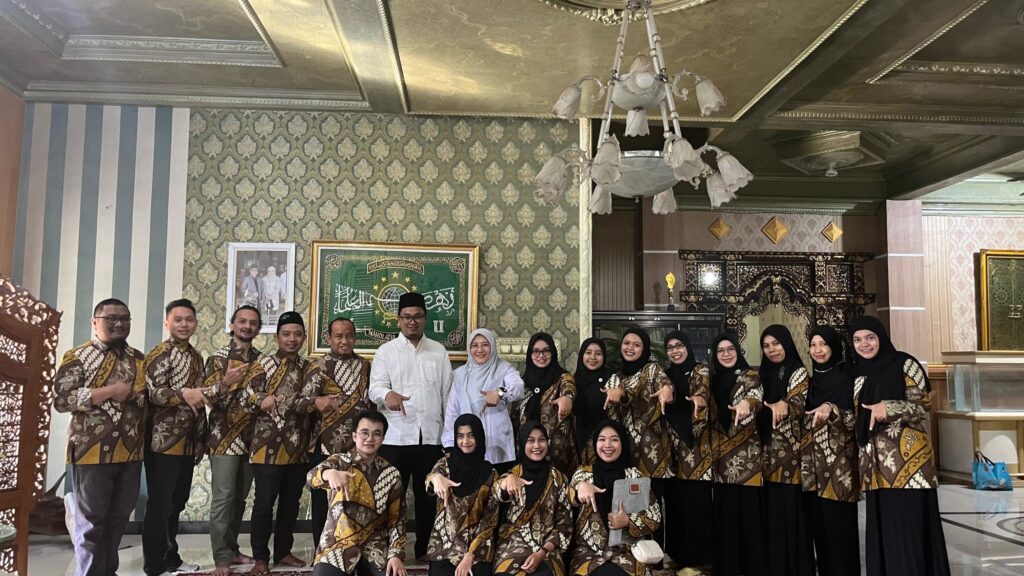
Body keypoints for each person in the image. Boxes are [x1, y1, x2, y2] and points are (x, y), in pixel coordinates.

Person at [851, 316, 950, 576]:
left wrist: (889, 407)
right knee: (884, 536)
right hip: (875, 470)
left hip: (908, 468)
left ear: (881, 337)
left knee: (908, 534)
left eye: (870, 337)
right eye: (857, 340)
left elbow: (923, 406)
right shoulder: (859, 374)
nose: (864, 344)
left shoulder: (905, 364)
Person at [54, 298, 146, 576]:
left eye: (125, 318)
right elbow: (62, 399)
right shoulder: (78, 356)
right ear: (95, 322)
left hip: (130, 451)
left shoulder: (138, 359)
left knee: (118, 519)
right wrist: (108, 392)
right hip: (91, 451)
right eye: (111, 318)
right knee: (91, 523)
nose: (119, 323)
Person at [369, 292, 454, 560]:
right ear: (398, 320)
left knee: (428, 498)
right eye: (406, 317)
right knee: (391, 498)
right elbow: (374, 388)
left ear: (425, 318)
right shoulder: (386, 352)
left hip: (430, 438)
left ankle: (425, 550)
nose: (412, 322)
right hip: (395, 438)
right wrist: (387, 395)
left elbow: (447, 397)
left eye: (417, 317)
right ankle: (387, 551)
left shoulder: (438, 352)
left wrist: (448, 437)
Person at [141, 299, 209, 576]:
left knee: (176, 503)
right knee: (160, 505)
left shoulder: (196, 357)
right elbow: (153, 393)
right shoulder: (159, 354)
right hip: (162, 442)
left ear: (195, 323)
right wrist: (183, 394)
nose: (184, 324)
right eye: (178, 319)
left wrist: (201, 439)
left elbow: (199, 401)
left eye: (189, 319)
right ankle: (154, 565)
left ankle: (171, 558)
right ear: (167, 323)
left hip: (188, 443)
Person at [244, 311, 312, 575]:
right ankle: (261, 557)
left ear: (304, 337)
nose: (292, 339)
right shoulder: (262, 364)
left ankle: (283, 551)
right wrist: (261, 398)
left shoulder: (309, 367)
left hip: (297, 447)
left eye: (297, 334)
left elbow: (311, 402)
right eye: (286, 334)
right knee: (264, 503)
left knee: (290, 503)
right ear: (277, 337)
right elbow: (247, 397)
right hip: (266, 448)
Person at [299, 316, 372, 547]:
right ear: (329, 339)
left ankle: (352, 549)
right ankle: (322, 552)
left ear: (355, 338)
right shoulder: (318, 366)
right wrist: (317, 401)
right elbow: (300, 402)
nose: (344, 341)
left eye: (349, 336)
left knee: (354, 500)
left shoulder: (365, 366)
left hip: (358, 449)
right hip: (324, 446)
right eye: (338, 336)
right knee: (324, 504)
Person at [308, 410, 407, 576]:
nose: (370, 438)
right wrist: (329, 474)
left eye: (376, 434)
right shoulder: (339, 462)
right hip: (338, 543)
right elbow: (311, 477)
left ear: (383, 438)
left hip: (375, 545)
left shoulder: (392, 474)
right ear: (354, 436)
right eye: (364, 433)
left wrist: (396, 554)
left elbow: (397, 519)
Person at [204, 304, 262, 575]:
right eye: (242, 321)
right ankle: (221, 559)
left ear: (258, 328)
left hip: (251, 439)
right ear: (232, 325)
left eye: (252, 323)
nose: (247, 326)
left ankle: (233, 549)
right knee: (223, 499)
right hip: (223, 439)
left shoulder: (261, 360)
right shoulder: (218, 358)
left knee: (240, 499)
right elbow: (208, 398)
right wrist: (226, 382)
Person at [801, 325, 860, 576]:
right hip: (812, 470)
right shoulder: (811, 380)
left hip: (839, 468)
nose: (818, 350)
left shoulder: (849, 376)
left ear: (834, 346)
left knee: (840, 529)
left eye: (823, 344)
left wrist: (831, 409)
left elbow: (856, 418)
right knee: (819, 529)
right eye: (813, 345)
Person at [569, 420, 661, 576]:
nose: (607, 445)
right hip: (589, 553)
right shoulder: (583, 474)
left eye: (614, 439)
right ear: (595, 443)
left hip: (629, 552)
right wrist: (578, 489)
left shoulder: (635, 476)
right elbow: (567, 498)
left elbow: (654, 517)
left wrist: (628, 521)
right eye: (602, 439)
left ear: (622, 443)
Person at [707, 333, 765, 576]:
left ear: (738, 351)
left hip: (747, 460)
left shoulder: (749, 376)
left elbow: (756, 397)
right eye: (721, 350)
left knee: (749, 517)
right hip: (720, 461)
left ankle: (752, 568)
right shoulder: (712, 380)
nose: (726, 354)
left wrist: (746, 404)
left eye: (730, 349)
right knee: (726, 517)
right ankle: (728, 567)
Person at [758, 325, 813, 576]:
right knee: (771, 514)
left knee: (791, 513)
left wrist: (784, 405)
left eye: (776, 344)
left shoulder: (797, 371)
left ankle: (796, 567)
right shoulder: (762, 373)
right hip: (765, 457)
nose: (772, 350)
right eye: (766, 346)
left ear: (787, 343)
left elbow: (799, 401)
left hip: (791, 457)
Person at [660, 331, 712, 574]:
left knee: (696, 506)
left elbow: (702, 391)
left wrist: (699, 399)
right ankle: (679, 557)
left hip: (696, 451)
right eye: (670, 347)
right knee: (675, 506)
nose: (675, 351)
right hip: (671, 451)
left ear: (688, 347)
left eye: (679, 345)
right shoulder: (666, 376)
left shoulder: (699, 370)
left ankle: (699, 561)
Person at [492, 422, 572, 576]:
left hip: (547, 549)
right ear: (523, 444)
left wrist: (542, 553)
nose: (537, 445)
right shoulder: (513, 474)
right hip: (512, 546)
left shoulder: (558, 479)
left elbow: (565, 525)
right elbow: (496, 492)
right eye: (531, 440)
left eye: (541, 440)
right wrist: (506, 481)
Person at [426, 414, 501, 576]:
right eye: (460, 436)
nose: (465, 441)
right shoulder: (444, 465)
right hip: (445, 546)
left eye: (471, 435)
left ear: (479, 437)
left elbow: (489, 521)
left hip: (478, 547)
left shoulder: (490, 473)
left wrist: (470, 555)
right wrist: (435, 478)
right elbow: (430, 481)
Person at [443, 328, 524, 473]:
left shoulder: (503, 368)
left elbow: (518, 388)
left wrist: (499, 392)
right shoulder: (459, 375)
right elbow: (452, 412)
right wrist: (449, 445)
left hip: (498, 446)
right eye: (474, 345)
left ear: (492, 346)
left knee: (499, 484)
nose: (480, 350)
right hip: (467, 445)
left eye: (485, 344)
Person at [603, 328, 675, 480]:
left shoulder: (651, 370)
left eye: (636, 345)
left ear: (644, 350)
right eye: (626, 343)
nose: (630, 348)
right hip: (624, 455)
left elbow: (663, 382)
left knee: (654, 494)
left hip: (653, 454)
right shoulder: (616, 378)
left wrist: (667, 390)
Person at [515, 333, 577, 475]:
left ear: (553, 352)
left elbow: (569, 389)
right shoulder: (522, 384)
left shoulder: (563, 378)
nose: (541, 355)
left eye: (546, 351)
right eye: (536, 351)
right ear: (529, 354)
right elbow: (515, 417)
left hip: (557, 453)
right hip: (527, 452)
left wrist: (567, 398)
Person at [572, 338, 612, 465]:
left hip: (607, 440)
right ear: (582, 356)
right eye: (588, 353)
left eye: (598, 353)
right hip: (579, 438)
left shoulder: (612, 378)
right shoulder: (572, 381)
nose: (593, 357)